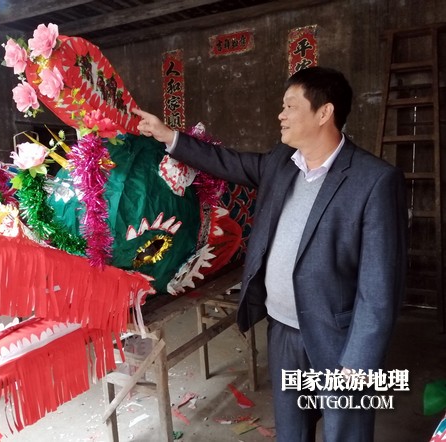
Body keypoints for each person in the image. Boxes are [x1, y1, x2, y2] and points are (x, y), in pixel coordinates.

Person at [132, 66, 408, 442]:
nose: (281, 115)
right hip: (283, 331)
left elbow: (380, 287)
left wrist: (359, 362)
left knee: (346, 433)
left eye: (290, 106)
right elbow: (229, 163)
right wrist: (169, 136)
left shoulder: (373, 180)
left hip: (338, 339)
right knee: (291, 431)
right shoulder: (282, 162)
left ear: (324, 112)